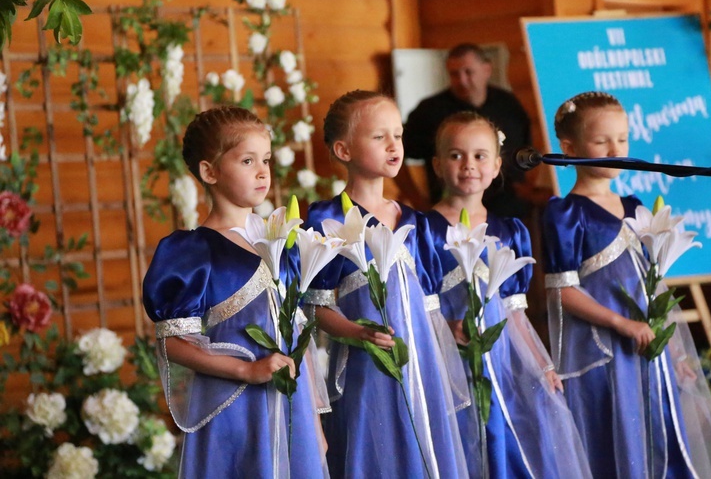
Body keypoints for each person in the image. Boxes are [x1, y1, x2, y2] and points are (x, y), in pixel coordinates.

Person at [542, 92, 711, 478]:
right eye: (601, 141)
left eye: (623, 139)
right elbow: (562, 290)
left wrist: (674, 351)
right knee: (617, 440)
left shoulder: (634, 205)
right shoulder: (565, 213)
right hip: (605, 352)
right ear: (569, 147)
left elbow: (651, 284)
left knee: (661, 435)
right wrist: (620, 323)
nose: (616, 149)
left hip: (647, 348)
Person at [142, 107, 329, 479]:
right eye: (247, 160)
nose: (263, 171)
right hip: (235, 409)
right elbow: (172, 344)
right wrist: (247, 369)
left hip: (293, 408)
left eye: (266, 159)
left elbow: (297, 337)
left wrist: (315, 423)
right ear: (210, 172)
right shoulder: (193, 252)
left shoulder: (281, 240)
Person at [302, 90, 470, 478]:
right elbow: (317, 305)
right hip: (367, 366)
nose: (394, 146)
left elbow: (429, 307)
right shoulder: (327, 218)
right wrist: (357, 332)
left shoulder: (417, 221)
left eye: (397, 135)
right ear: (343, 150)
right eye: (380, 137)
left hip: (420, 361)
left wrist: (445, 352)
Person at [426, 111, 592, 479]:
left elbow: (515, 310)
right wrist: (444, 326)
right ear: (438, 165)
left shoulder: (511, 231)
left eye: (480, 156)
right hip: (449, 367)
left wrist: (543, 365)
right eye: (456, 155)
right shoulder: (423, 230)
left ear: (498, 164)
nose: (469, 165)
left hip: (504, 362)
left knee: (513, 444)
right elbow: (421, 305)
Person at [401, 43, 532, 218]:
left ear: (487, 70)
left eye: (468, 72)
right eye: (454, 74)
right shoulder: (429, 111)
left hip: (508, 210)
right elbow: (397, 153)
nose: (462, 80)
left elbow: (526, 148)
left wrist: (529, 189)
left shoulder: (508, 104)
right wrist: (415, 198)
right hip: (451, 214)